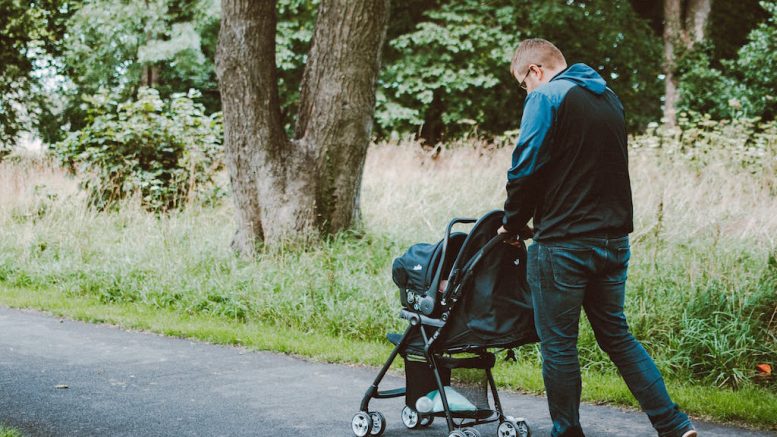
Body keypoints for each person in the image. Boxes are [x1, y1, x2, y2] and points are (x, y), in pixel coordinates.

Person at [496, 39, 697, 437]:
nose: (526, 92)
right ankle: (673, 425)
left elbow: (524, 169)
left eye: (523, 83)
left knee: (558, 345)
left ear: (535, 71)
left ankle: (567, 433)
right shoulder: (608, 99)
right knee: (617, 336)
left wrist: (512, 225)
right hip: (613, 242)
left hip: (564, 244)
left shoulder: (547, 97)